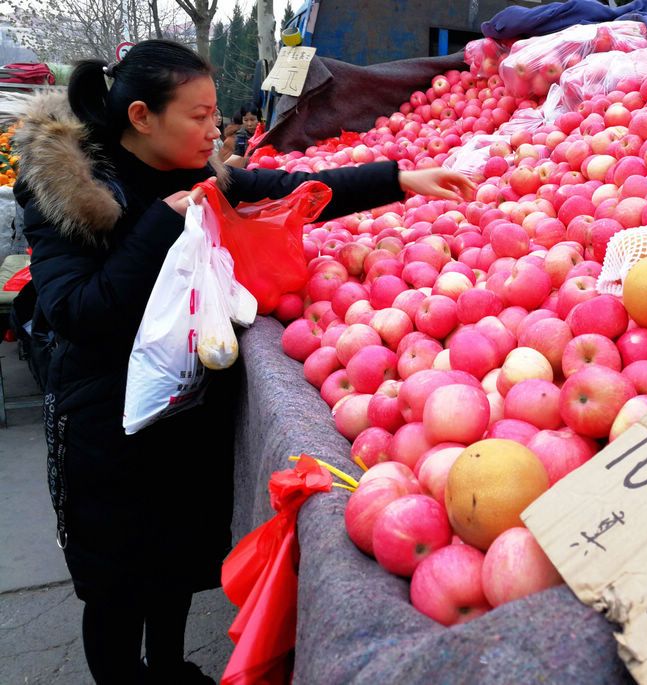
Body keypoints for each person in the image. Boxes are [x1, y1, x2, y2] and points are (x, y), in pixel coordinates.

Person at [11, 39, 474, 685]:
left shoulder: (196, 173)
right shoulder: (68, 190)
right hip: (105, 421)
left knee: (171, 562)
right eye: (198, 117)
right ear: (143, 116)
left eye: (214, 114)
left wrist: (398, 178)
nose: (214, 131)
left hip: (185, 409)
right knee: (116, 586)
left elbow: (291, 188)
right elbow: (77, 311)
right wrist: (160, 229)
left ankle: (170, 667)